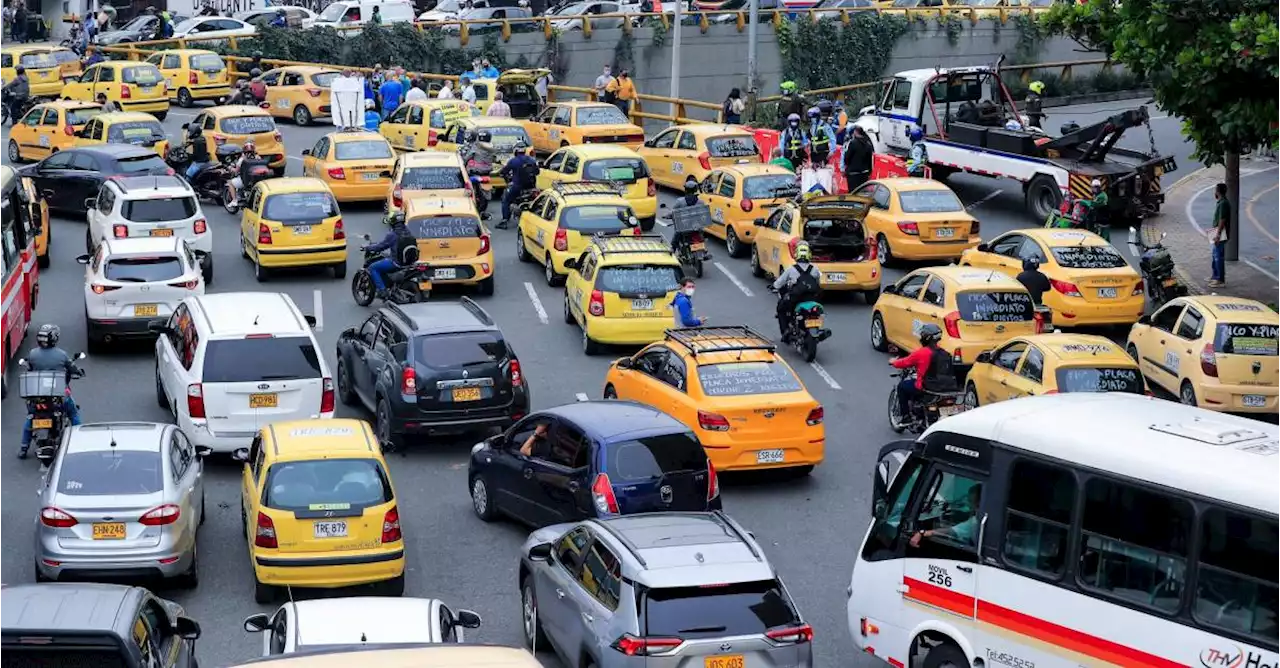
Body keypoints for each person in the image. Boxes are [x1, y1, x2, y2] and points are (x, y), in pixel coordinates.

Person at [18, 324, 83, 459]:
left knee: (31, 416)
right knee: (73, 413)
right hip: (58, 395)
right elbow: (72, 368)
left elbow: (29, 367)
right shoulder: (61, 355)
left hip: (38, 395)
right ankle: (80, 440)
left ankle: (23, 448)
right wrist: (79, 372)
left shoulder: (33, 354)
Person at [890, 323, 947, 424]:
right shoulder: (944, 352)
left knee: (902, 387)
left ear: (925, 338)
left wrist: (893, 362)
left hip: (926, 387)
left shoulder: (922, 353)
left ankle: (906, 417)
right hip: (943, 387)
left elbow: (904, 362)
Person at [364, 211, 418, 299]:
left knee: (373, 267)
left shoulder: (392, 234)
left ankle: (382, 290)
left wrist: (368, 247)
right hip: (409, 262)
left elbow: (380, 247)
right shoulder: (408, 231)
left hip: (396, 263)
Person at [772, 241, 822, 337]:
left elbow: (778, 284)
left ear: (796, 254)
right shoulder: (815, 269)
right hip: (813, 299)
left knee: (781, 309)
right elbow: (818, 283)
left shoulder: (791, 269)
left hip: (796, 299)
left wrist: (774, 286)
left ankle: (785, 331)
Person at [910, 484, 982, 547]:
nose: (968, 505)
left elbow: (950, 531)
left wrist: (922, 533)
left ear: (979, 505)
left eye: (971, 501)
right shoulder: (979, 520)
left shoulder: (975, 523)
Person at [499, 144, 538, 229]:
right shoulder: (531, 160)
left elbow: (504, 171)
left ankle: (504, 221)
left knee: (506, 200)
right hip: (531, 187)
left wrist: (502, 173)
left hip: (517, 187)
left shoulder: (513, 161)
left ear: (515, 151)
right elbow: (537, 172)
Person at [225, 139, 268, 207]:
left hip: (245, 181)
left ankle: (234, 200)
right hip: (257, 180)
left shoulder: (242, 160)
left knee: (230, 183)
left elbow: (236, 171)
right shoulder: (258, 158)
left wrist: (230, 168)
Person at [1210, 182, 1230, 286]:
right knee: (1214, 255)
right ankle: (1214, 276)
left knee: (1218, 256)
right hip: (1216, 231)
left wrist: (1218, 234)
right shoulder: (1220, 202)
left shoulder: (1223, 203)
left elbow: (1222, 219)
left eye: (1215, 190)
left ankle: (1220, 279)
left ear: (1218, 191)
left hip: (1220, 233)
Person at [843, 126, 874, 191]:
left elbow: (847, 158)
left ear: (856, 132)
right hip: (864, 174)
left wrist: (846, 168)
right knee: (862, 193)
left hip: (853, 174)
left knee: (853, 193)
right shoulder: (868, 145)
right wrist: (869, 172)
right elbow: (870, 160)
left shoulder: (853, 143)